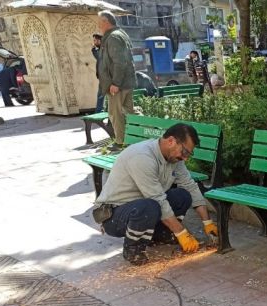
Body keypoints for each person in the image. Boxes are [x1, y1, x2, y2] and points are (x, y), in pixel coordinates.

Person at [92, 123, 218, 265]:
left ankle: (160, 235)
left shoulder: (174, 158)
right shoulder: (142, 157)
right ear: (171, 141)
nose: (186, 158)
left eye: (188, 154)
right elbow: (157, 199)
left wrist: (207, 222)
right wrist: (182, 233)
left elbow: (190, 186)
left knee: (182, 196)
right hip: (114, 215)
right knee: (150, 206)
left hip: (143, 205)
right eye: (184, 152)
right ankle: (133, 249)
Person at [97, 10, 136, 146]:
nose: (98, 26)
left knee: (115, 114)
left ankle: (120, 142)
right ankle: (136, 137)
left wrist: (115, 83)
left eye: (99, 23)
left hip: (118, 85)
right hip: (125, 83)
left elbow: (120, 62)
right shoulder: (119, 34)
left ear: (106, 22)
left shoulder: (113, 37)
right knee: (129, 112)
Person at [91, 33, 104, 113]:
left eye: (95, 40)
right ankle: (100, 111)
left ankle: (99, 112)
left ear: (99, 40)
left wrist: (93, 50)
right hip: (103, 76)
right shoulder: (100, 49)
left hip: (105, 76)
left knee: (100, 95)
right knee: (101, 95)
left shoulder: (103, 49)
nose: (94, 42)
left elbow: (99, 57)